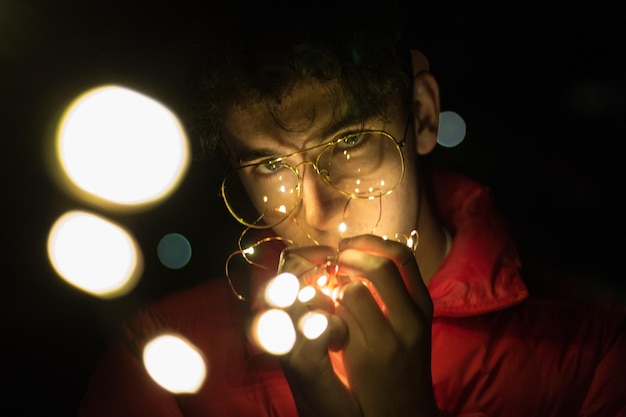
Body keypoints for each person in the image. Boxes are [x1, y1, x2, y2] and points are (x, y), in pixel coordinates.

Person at [78, 1, 626, 416]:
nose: (317, 212)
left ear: (423, 115)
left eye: (347, 145)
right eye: (270, 166)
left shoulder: (595, 351)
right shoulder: (162, 361)